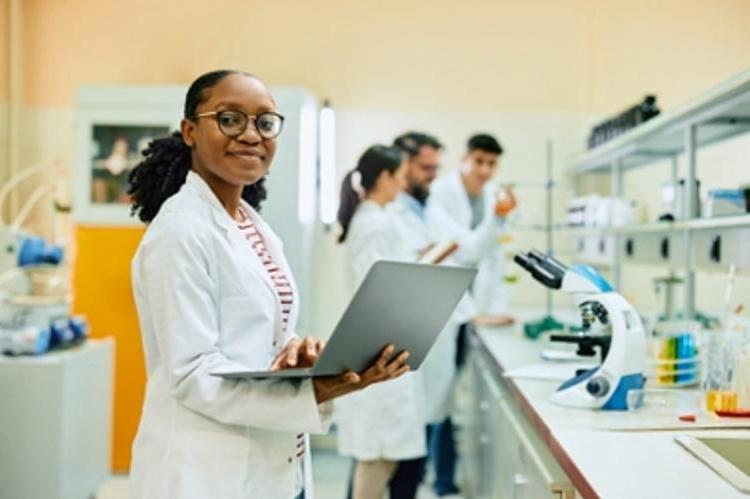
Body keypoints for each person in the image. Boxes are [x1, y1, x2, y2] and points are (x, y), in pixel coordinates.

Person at [126, 69, 410, 499]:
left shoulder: (251, 225)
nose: (251, 134)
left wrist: (297, 355)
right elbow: (193, 375)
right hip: (206, 473)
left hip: (271, 462)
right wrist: (313, 389)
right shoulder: (180, 233)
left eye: (264, 122)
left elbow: (255, 334)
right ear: (189, 131)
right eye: (229, 119)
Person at [335, 145, 426, 499]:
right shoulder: (373, 223)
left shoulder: (378, 219)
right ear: (385, 177)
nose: (404, 184)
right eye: (401, 176)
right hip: (378, 353)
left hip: (385, 351)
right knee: (377, 460)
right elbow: (373, 291)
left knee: (383, 460)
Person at [390, 132, 467, 498]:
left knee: (413, 447)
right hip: (400, 339)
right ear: (403, 164)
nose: (433, 175)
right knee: (387, 455)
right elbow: (389, 275)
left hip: (429, 331)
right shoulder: (388, 212)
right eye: (426, 168)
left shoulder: (429, 208)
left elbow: (466, 248)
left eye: (437, 168)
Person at [427, 133, 517, 327]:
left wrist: (498, 309)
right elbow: (467, 250)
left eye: (492, 163)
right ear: (464, 158)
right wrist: (497, 217)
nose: (485, 170)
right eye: (479, 161)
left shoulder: (495, 195)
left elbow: (497, 258)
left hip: (482, 301)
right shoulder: (439, 193)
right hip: (446, 302)